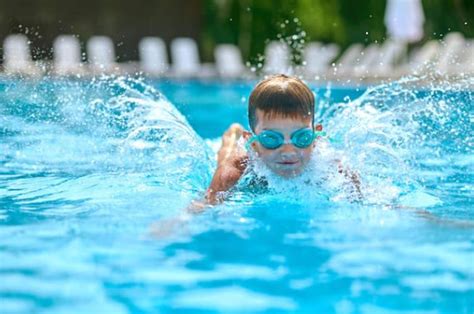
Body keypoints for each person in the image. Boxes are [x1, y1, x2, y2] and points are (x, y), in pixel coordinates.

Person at [203, 74, 362, 206]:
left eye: (302, 137)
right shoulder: (237, 168)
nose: (288, 151)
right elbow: (202, 207)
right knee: (225, 155)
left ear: (315, 138)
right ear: (253, 143)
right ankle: (233, 133)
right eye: (271, 139)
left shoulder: (332, 165)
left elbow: (361, 202)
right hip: (239, 153)